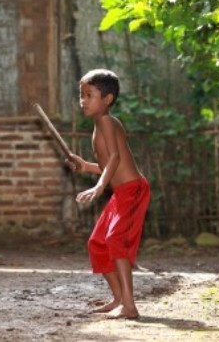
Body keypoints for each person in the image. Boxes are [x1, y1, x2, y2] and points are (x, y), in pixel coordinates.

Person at [65, 69, 150, 320]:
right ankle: (119, 299)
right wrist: (85, 166)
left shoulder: (107, 122)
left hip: (133, 191)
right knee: (97, 243)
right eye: (81, 95)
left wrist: (99, 187)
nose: (83, 101)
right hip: (121, 192)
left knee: (115, 239)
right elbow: (108, 166)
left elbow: (114, 158)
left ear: (107, 99)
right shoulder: (99, 125)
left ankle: (130, 306)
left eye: (89, 95)